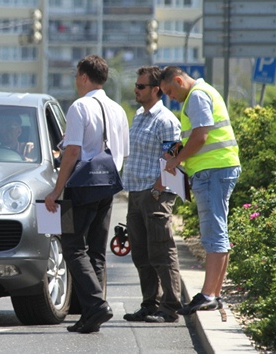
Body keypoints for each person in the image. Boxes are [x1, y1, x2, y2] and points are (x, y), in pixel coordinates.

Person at [44, 55, 129, 333]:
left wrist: (57, 190)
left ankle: (95, 306)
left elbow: (72, 152)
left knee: (72, 247)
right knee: (96, 251)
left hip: (80, 185)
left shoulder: (79, 107)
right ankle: (91, 313)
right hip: (109, 184)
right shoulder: (118, 109)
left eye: (76, 76)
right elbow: (122, 153)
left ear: (83, 77)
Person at [159, 66, 241, 315]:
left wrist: (177, 159)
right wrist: (179, 148)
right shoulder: (201, 93)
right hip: (216, 168)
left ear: (178, 80)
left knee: (214, 232)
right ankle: (212, 294)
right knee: (217, 232)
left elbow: (202, 136)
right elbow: (197, 134)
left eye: (170, 91)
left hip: (213, 170)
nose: (169, 97)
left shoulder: (196, 95)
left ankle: (208, 294)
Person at [122, 66, 183, 323]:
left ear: (156, 90)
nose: (136, 90)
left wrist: (158, 188)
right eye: (136, 86)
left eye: (141, 86)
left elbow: (174, 159)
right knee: (141, 254)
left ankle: (170, 308)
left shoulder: (166, 120)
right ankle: (150, 304)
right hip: (136, 193)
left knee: (161, 250)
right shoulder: (139, 116)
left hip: (156, 193)